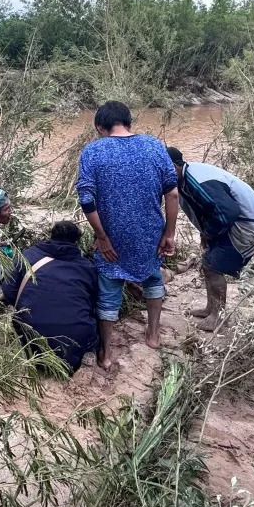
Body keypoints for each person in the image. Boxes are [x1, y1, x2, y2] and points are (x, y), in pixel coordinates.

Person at [76, 101, 179, 368]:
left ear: (100, 127)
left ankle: (106, 353)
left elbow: (86, 199)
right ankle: (153, 334)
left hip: (113, 237)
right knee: (153, 277)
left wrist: (101, 237)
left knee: (109, 289)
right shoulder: (154, 146)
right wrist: (169, 233)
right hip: (149, 234)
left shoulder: (93, 151)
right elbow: (172, 193)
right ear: (129, 122)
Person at [168, 147, 254, 332]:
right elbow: (209, 210)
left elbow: (228, 212)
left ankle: (218, 316)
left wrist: (210, 234)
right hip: (241, 220)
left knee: (212, 266)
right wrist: (205, 233)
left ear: (174, 166)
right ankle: (211, 309)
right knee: (208, 261)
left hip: (248, 224)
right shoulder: (188, 176)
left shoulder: (196, 180)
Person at [0, 221, 99, 373]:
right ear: (76, 241)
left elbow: (9, 290)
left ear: (51, 235)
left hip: (30, 341)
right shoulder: (88, 268)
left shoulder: (28, 255)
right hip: (74, 348)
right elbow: (92, 304)